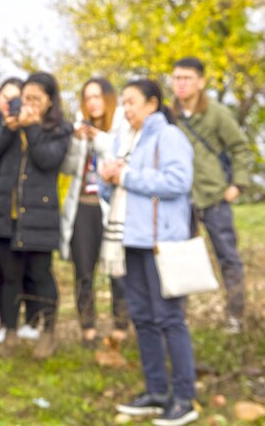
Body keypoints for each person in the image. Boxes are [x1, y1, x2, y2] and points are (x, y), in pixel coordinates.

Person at [100, 79, 198, 425]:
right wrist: (108, 178)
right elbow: (116, 191)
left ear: (152, 104)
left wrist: (126, 176)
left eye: (132, 103)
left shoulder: (168, 136)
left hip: (161, 241)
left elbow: (178, 182)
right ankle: (157, 392)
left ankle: (184, 397)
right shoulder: (125, 139)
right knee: (142, 319)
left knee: (169, 319)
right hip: (130, 239)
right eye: (123, 103)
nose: (126, 110)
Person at [0, 72, 72, 359]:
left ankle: (48, 332)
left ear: (50, 102)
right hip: (5, 214)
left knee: (40, 274)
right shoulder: (10, 127)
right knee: (8, 276)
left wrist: (33, 128)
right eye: (26, 98)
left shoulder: (59, 129)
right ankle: (9, 331)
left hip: (39, 214)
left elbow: (48, 160)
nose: (30, 104)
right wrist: (9, 129)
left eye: (36, 99)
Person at [171, 57, 253, 334]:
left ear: (200, 82)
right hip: (180, 199)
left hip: (214, 197)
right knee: (179, 257)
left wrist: (237, 185)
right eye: (176, 78)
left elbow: (241, 149)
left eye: (187, 78)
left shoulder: (216, 113)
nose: (180, 83)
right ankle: (178, 318)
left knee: (227, 257)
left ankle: (235, 316)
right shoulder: (169, 116)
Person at [60, 77, 130, 348]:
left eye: (97, 96)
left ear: (109, 99)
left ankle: (121, 324)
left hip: (112, 207)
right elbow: (67, 167)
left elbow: (119, 153)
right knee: (84, 270)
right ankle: (87, 327)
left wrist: (97, 137)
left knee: (117, 266)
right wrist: (77, 142)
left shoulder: (123, 125)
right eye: (87, 98)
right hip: (83, 206)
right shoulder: (78, 128)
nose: (92, 102)